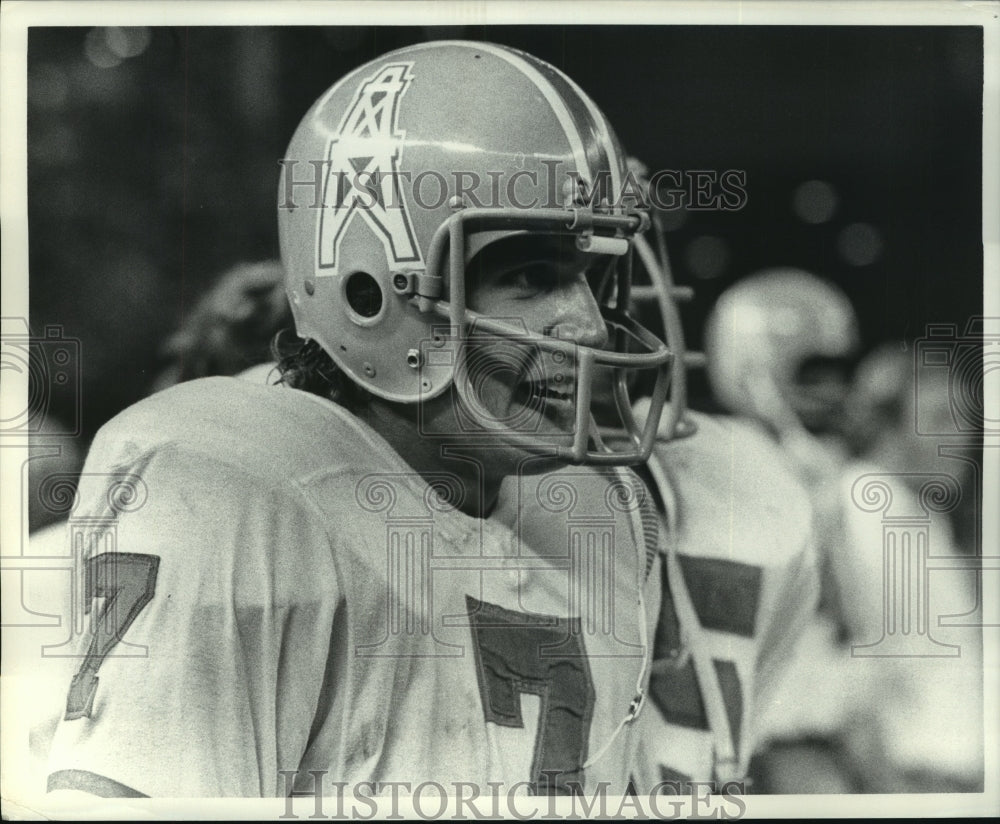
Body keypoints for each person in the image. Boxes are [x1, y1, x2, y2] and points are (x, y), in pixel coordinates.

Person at [42, 41, 818, 799]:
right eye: (528, 275)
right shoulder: (234, 485)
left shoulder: (600, 513)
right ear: (369, 289)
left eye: (592, 276)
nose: (585, 325)